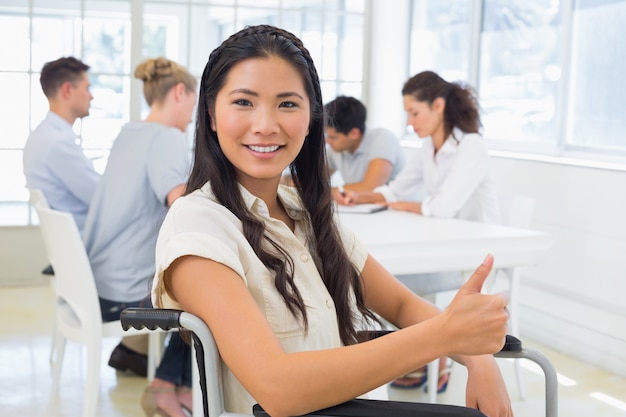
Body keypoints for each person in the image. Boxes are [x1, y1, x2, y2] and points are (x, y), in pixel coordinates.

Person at [152, 25, 513, 417]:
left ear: (311, 121)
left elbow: (402, 303)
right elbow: (278, 388)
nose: (266, 124)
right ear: (212, 115)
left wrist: (480, 359)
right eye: (243, 102)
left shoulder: (306, 213)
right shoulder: (197, 225)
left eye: (287, 104)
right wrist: (444, 335)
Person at [338, 70, 501, 391]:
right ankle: (418, 358)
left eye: (415, 112)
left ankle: (428, 359)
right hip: (444, 246)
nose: (410, 122)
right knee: (388, 282)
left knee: (394, 283)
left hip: (475, 259)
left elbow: (441, 207)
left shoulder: (472, 146)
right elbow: (397, 190)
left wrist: (405, 204)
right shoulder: (429, 148)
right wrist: (361, 196)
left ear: (438, 106)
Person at [82, 57, 196, 417]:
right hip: (124, 290)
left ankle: (177, 385)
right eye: (195, 103)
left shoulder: (129, 132)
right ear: (180, 92)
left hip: (96, 281)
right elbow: (180, 202)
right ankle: (170, 386)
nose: (194, 114)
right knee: (204, 292)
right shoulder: (167, 137)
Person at [23, 56, 100, 233]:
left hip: (76, 241)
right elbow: (101, 198)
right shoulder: (57, 144)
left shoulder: (41, 136)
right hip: (92, 243)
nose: (91, 96)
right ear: (67, 90)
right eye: (87, 88)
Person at [324, 95, 405, 200]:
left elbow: (371, 187)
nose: (327, 141)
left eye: (333, 137)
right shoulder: (337, 147)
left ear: (354, 133)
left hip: (398, 211)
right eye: (327, 135)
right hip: (363, 209)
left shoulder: (383, 139)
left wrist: (323, 192)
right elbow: (314, 180)